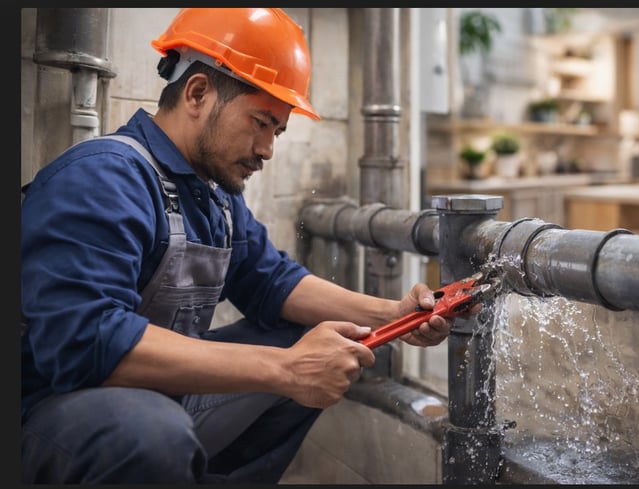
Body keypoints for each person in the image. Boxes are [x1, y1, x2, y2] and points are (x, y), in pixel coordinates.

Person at [21, 8, 468, 484]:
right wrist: (285, 369)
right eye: (260, 122)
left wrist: (391, 314)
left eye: (277, 131)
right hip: (53, 410)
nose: (267, 149)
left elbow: (271, 281)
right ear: (197, 93)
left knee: (330, 342)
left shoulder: (213, 194)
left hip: (151, 394)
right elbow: (85, 342)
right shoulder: (103, 178)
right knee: (150, 433)